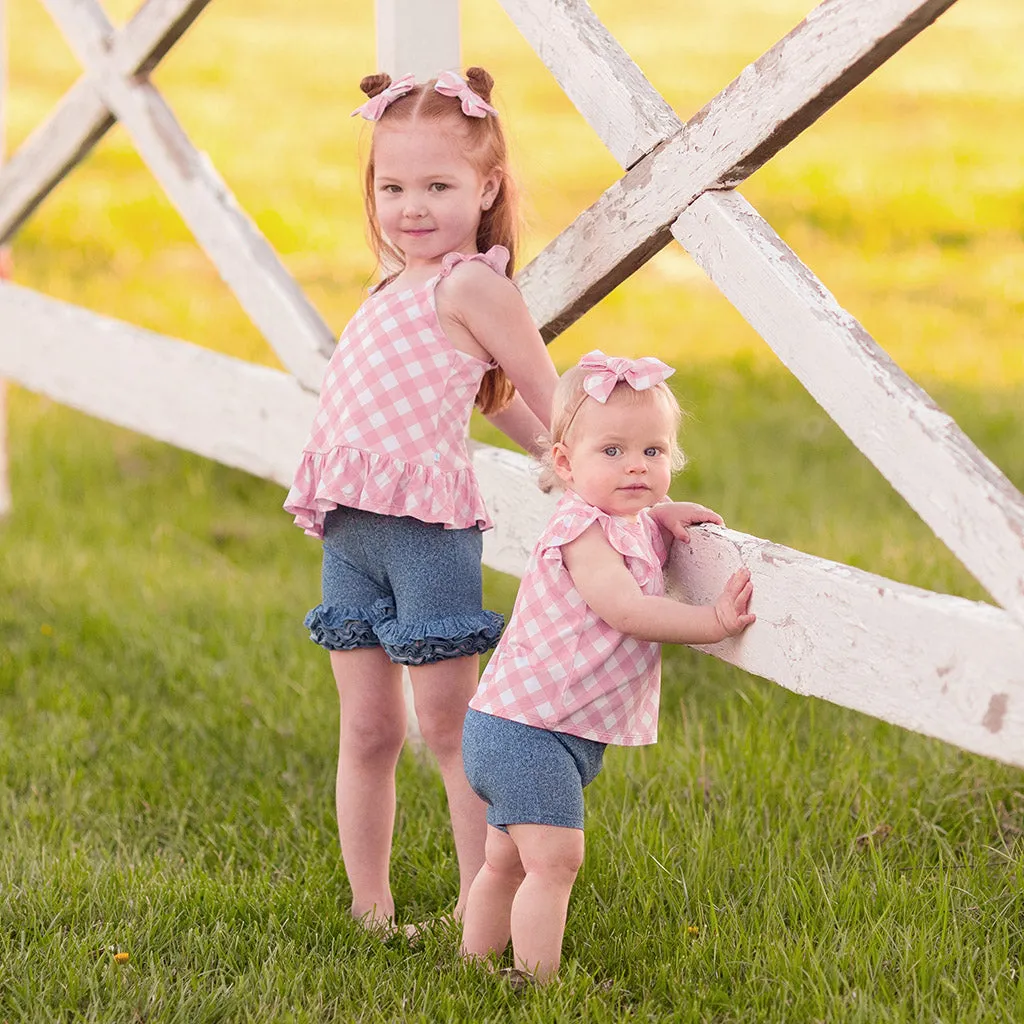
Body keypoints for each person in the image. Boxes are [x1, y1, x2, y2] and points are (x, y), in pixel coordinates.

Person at [284, 67, 559, 937]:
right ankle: (372, 908)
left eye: (437, 186)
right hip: (353, 533)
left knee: (450, 732)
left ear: (486, 188)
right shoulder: (389, 286)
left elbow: (542, 396)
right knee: (367, 732)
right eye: (392, 186)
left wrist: (593, 470)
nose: (411, 207)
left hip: (428, 537)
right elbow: (487, 392)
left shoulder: (472, 286)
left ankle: (483, 911)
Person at [460, 351, 756, 983]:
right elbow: (625, 608)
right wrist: (712, 624)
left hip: (523, 722)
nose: (636, 466)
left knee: (506, 861)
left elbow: (640, 520)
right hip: (529, 730)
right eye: (613, 451)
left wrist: (661, 516)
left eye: (654, 453)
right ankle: (534, 981)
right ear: (565, 464)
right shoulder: (581, 531)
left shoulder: (624, 521)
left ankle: (474, 963)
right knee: (555, 862)